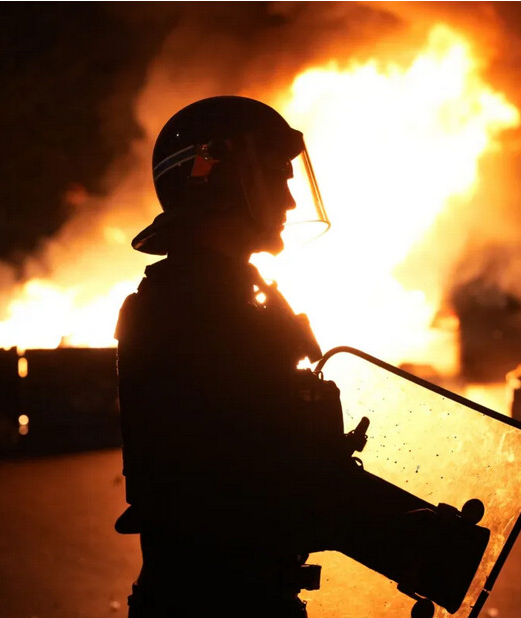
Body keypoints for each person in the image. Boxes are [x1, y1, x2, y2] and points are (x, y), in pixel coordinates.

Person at [114, 95, 344, 617]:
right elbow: (245, 474)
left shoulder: (224, 297)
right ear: (225, 177)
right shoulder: (197, 309)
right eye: (277, 178)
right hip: (222, 601)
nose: (290, 202)